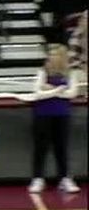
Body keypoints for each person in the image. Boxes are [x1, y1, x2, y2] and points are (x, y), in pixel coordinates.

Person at [29, 44, 82, 194]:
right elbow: (37, 93)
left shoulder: (71, 73)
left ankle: (64, 178)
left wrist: (50, 90)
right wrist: (58, 90)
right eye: (50, 54)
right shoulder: (42, 72)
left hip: (62, 114)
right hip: (42, 114)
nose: (51, 57)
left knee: (61, 147)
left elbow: (72, 93)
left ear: (62, 57)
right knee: (41, 148)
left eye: (54, 54)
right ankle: (38, 178)